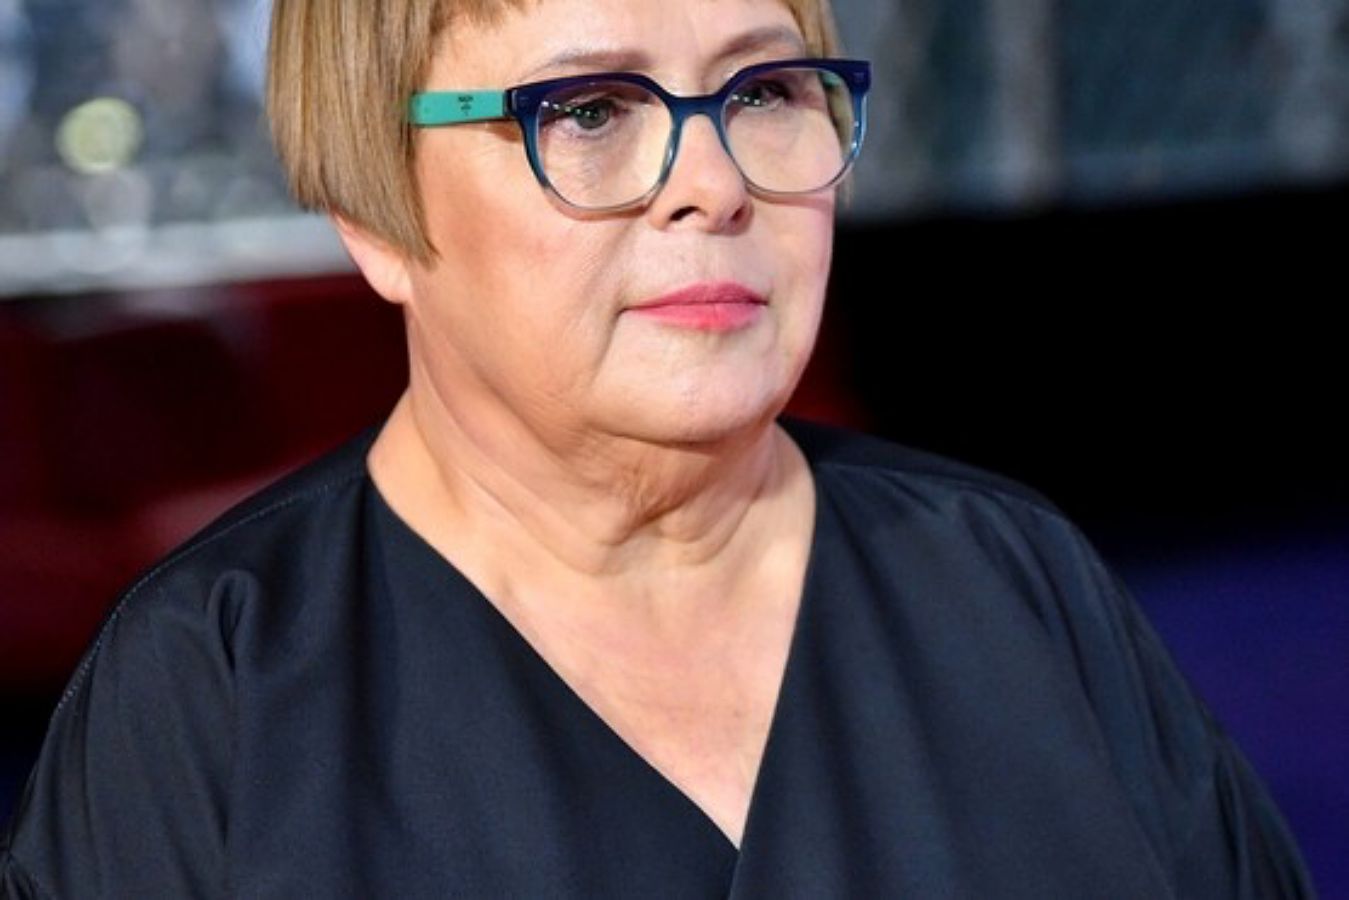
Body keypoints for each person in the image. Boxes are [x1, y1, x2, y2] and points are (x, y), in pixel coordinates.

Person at [0, 0, 1316, 896]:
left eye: (768, 90)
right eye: (587, 110)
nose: (716, 182)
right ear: (377, 213)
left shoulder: (1011, 579)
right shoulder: (215, 687)